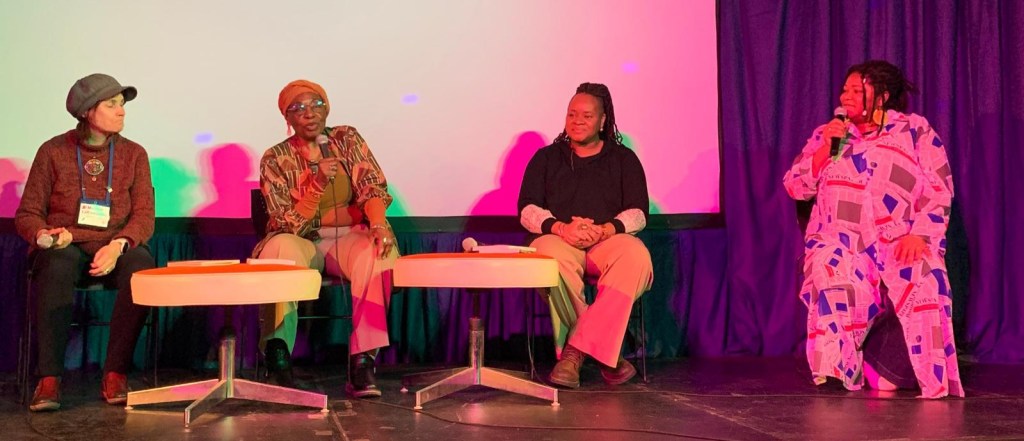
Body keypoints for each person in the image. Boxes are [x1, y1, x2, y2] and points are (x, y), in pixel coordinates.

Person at [783, 60, 963, 398]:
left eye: (856, 91)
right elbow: (795, 185)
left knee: (927, 274)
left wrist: (921, 234)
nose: (845, 96)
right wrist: (824, 150)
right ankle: (838, 372)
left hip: (900, 240)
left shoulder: (915, 131)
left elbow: (940, 188)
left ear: (880, 97)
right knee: (829, 267)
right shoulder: (829, 134)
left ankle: (915, 374)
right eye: (844, 90)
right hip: (842, 241)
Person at [16, 73, 156, 411]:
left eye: (122, 104)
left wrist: (120, 244)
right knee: (58, 264)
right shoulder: (52, 151)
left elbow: (144, 216)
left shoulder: (134, 154)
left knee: (141, 266)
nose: (121, 111)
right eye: (112, 104)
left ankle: (116, 372)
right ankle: (49, 379)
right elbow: (28, 213)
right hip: (67, 244)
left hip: (114, 243)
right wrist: (43, 235)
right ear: (87, 112)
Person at [253, 79, 398, 398]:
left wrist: (377, 223)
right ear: (286, 118)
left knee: (377, 251)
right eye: (298, 108)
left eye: (316, 104)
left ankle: (364, 359)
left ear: (328, 107)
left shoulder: (346, 138)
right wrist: (317, 184)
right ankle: (277, 356)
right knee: (279, 248)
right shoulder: (275, 159)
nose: (309, 113)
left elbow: (371, 187)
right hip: (303, 241)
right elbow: (285, 222)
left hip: (348, 241)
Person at [517, 82, 653, 388]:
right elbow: (527, 210)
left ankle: (574, 353)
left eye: (587, 116)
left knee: (635, 255)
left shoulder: (623, 159)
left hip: (607, 239)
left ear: (603, 120)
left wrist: (605, 230)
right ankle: (609, 356)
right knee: (545, 255)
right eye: (571, 114)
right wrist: (562, 227)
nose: (577, 121)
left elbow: (638, 213)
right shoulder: (546, 158)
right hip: (562, 238)